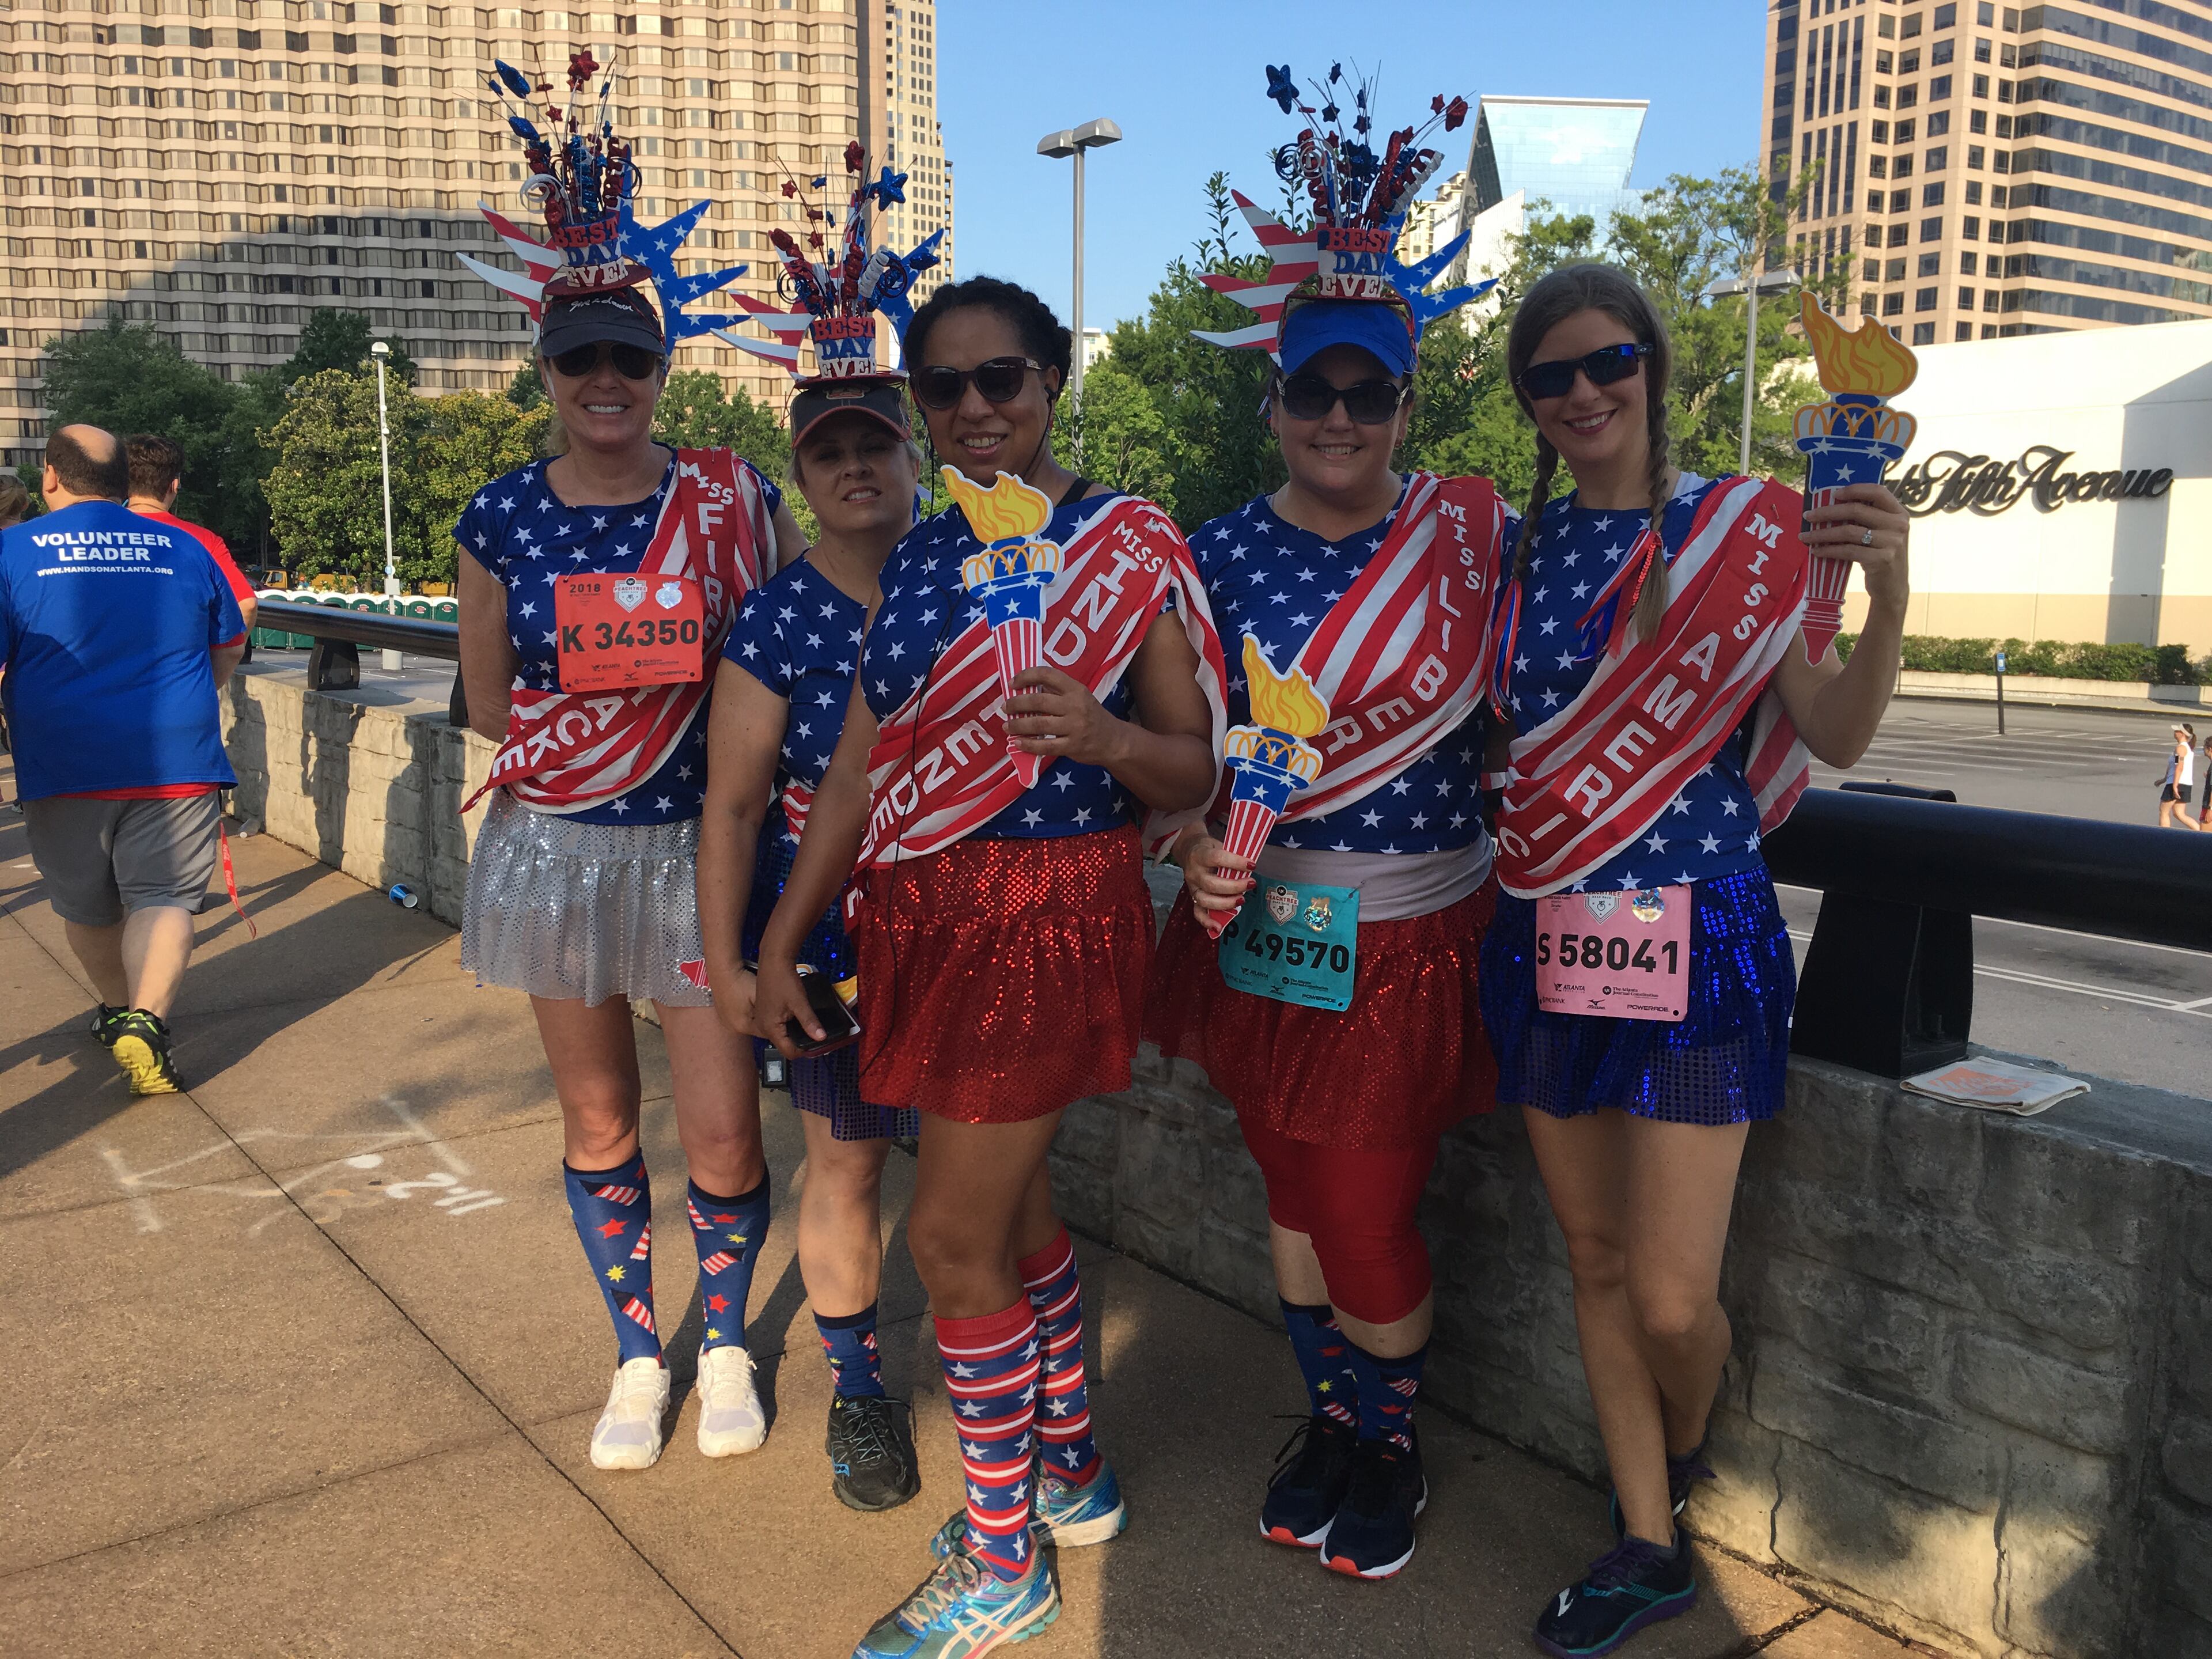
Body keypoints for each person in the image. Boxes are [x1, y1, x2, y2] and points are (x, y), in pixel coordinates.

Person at [753, 274, 1224, 1656]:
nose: (973, 407)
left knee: (948, 1240)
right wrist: (779, 939)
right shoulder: (919, 554)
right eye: (943, 386)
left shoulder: (1125, 541)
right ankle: (1069, 1470)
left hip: (1045, 908)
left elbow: (1196, 765)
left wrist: (1104, 736)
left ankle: (1005, 1561)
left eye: (999, 378)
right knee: (1008, 1217)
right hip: (920, 916)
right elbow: (855, 770)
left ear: (1050, 381)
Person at [1478, 264, 1910, 1658]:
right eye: (1549, 376)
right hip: (1547, 928)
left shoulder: (1746, 531)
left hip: (1700, 935)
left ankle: (1678, 1447)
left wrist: (1889, 593)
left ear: (1651, 366)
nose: (1582, 392)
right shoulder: (1518, 557)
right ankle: (1647, 1540)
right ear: (1528, 402)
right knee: (1595, 1257)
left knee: (1671, 1296)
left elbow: (1835, 734)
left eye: (1605, 361)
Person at [1145, 67, 1501, 1584]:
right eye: (1313, 392)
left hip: (1411, 932)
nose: (1339, 418)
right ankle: (1338, 1422)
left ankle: (1390, 1444)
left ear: (1407, 405)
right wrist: (1185, 843)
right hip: (1266, 926)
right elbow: (1172, 765)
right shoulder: (1209, 556)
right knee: (1290, 1194)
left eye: (1369, 394)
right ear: (1274, 401)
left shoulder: (1478, 538)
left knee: (1362, 1213)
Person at [454, 61, 807, 1476]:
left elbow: (794, 651)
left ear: (662, 371)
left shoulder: (730, 496)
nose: (606, 383)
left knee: (721, 1131)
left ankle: (723, 1345)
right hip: (557, 849)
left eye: (631, 361)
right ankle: (636, 1352)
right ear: (545, 372)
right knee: (598, 1116)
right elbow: (492, 700)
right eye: (579, 362)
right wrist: (593, 727)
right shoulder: (498, 517)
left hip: (695, 852)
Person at [697, 165, 934, 1514]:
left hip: (967, 914)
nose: (855, 467)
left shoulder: (985, 574)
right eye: (829, 451)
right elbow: (733, 806)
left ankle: (1030, 1395)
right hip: (827, 929)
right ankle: (857, 1391)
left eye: (875, 444)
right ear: (800, 473)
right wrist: (732, 967)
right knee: (844, 1163)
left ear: (912, 457)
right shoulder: (777, 616)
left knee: (988, 1167)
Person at [0, 424, 247, 1093]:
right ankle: (147, 1019)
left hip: (63, 760)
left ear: (51, 477)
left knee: (86, 905)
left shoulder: (11, 551)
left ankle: (117, 1011)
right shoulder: (186, 545)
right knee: (165, 896)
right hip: (176, 756)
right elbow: (229, 643)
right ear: (119, 482)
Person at [125, 434, 259, 638]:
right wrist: (225, 655)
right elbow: (247, 605)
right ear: (174, 485)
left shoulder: (93, 534)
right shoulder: (204, 541)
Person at [2158, 722, 2198, 830]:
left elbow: (2180, 766)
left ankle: (2164, 836)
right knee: (2179, 814)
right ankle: (2202, 833)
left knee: (2163, 811)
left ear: (2183, 734)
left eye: (2177, 731)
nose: (2175, 732)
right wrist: (2164, 779)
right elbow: (2174, 765)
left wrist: (2175, 785)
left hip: (2177, 783)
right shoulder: (2183, 748)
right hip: (2184, 783)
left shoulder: (2181, 748)